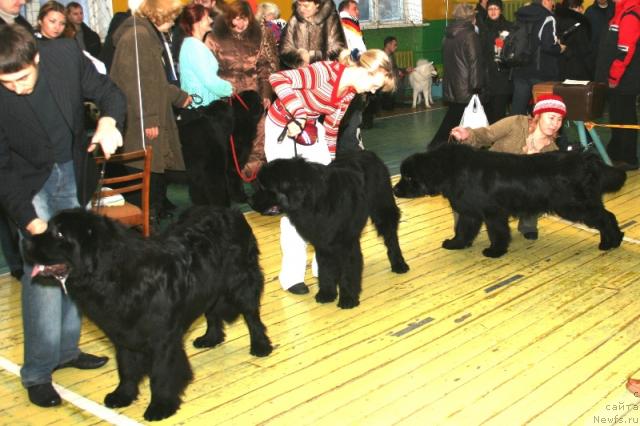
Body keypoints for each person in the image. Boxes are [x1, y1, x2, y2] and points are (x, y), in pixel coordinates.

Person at [0, 24, 125, 407]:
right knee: (43, 277)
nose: (17, 88)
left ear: (37, 57)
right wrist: (31, 223)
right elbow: (1, 169)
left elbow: (110, 92)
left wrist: (107, 121)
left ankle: (67, 351)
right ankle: (38, 372)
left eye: (22, 78)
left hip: (73, 170)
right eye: (6, 83)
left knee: (77, 262)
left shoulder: (66, 55)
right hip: (28, 181)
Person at [264, 49, 395, 294]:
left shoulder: (349, 93)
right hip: (282, 129)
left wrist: (331, 164)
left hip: (311, 131)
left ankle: (323, 265)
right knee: (294, 201)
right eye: (374, 84)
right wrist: (300, 114)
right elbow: (278, 79)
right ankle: (292, 276)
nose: (372, 91)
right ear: (363, 70)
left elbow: (332, 128)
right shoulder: (325, 72)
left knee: (325, 195)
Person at [110, 0, 192, 222]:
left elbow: (155, 81)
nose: (174, 22)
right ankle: (146, 218)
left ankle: (151, 212)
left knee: (154, 167)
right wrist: (149, 120)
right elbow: (138, 84)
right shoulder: (139, 37)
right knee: (145, 168)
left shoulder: (144, 34)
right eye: (172, 17)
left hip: (149, 112)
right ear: (159, 15)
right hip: (143, 117)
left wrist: (178, 97)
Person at [450, 94, 566, 240]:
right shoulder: (515, 122)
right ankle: (463, 232)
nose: (555, 123)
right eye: (551, 117)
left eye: (559, 119)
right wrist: (468, 134)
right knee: (462, 189)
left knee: (538, 185)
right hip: (490, 177)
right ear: (538, 115)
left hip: (515, 188)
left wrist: (533, 161)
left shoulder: (552, 151)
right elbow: (487, 134)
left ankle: (528, 224)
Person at [206, 0, 278, 184]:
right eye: (235, 19)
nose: (240, 24)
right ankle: (228, 179)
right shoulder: (214, 38)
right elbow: (206, 70)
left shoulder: (258, 36)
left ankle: (255, 178)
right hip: (226, 97)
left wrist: (266, 94)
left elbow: (264, 67)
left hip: (252, 96)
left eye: (243, 19)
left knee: (256, 138)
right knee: (228, 141)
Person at [428, 4, 483, 150]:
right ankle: (436, 146)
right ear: (471, 18)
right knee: (454, 119)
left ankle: (447, 146)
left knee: (454, 117)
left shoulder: (448, 35)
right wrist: (477, 86)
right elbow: (475, 61)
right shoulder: (471, 35)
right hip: (466, 86)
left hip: (452, 84)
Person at [511, 0, 565, 115]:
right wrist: (560, 47)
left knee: (517, 111)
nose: (553, 4)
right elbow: (548, 45)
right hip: (542, 72)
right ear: (546, 1)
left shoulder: (521, 15)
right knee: (545, 110)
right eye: (552, 1)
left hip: (520, 68)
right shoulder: (548, 17)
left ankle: (515, 133)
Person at [178, 3, 232, 108]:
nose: (211, 20)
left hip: (201, 103)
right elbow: (209, 80)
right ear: (198, 22)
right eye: (207, 18)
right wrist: (230, 89)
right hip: (202, 106)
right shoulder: (195, 47)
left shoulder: (192, 45)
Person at [279, 0, 346, 69]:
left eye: (306, 6)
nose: (301, 9)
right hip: (298, 74)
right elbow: (284, 49)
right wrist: (299, 56)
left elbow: (339, 49)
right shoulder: (295, 19)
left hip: (324, 72)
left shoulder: (331, 19)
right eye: (299, 5)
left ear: (317, 4)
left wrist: (313, 57)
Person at [337, 0, 367, 153]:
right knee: (353, 115)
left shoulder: (334, 24)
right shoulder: (348, 23)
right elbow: (359, 51)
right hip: (351, 77)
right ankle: (352, 150)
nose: (358, 13)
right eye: (355, 9)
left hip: (338, 78)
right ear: (345, 10)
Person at [480, 0, 513, 123]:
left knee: (499, 111)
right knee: (488, 112)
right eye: (490, 9)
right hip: (486, 76)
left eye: (496, 8)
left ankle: (498, 140)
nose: (493, 11)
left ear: (501, 10)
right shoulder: (482, 27)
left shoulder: (509, 27)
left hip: (503, 75)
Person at [555, 0, 594, 80]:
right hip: (578, 67)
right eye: (578, 7)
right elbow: (584, 49)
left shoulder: (555, 19)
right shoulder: (580, 23)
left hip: (559, 66)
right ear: (570, 7)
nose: (580, 10)